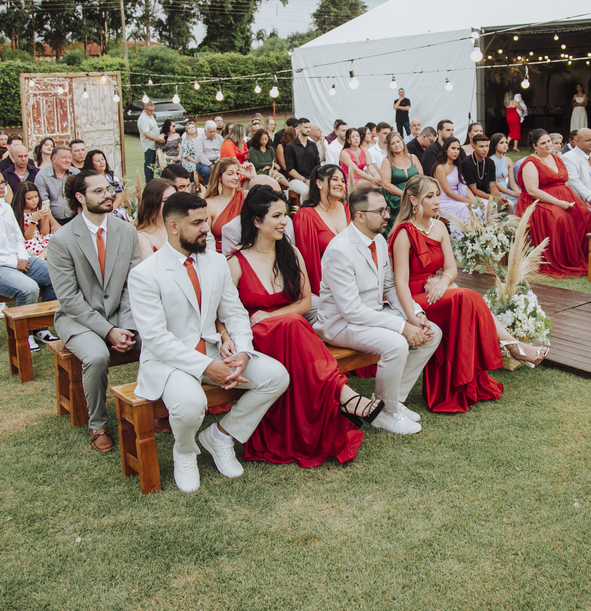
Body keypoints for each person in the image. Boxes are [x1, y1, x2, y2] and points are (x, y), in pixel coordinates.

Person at [127, 191, 290, 493]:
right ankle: (185, 451)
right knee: (191, 404)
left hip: (215, 351)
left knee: (276, 376)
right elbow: (156, 339)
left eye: (206, 220)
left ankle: (221, 436)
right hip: (169, 362)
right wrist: (207, 367)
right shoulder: (144, 274)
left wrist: (243, 351)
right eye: (197, 223)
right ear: (173, 227)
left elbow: (234, 312)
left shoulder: (215, 262)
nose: (207, 228)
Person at [227, 185, 379, 467]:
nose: (284, 222)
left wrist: (272, 316)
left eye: (285, 215)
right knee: (294, 326)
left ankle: (340, 396)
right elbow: (223, 312)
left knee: (294, 323)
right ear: (257, 221)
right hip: (256, 337)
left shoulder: (291, 253)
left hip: (288, 331)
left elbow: (305, 302)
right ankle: (344, 394)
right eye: (276, 216)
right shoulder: (235, 261)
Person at [313, 186, 442, 435]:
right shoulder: (340, 250)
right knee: (397, 344)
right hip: (341, 324)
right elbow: (351, 310)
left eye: (386, 209)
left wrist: (414, 314)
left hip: (373, 314)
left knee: (431, 332)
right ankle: (384, 413)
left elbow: (390, 286)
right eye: (380, 211)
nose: (387, 215)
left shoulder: (379, 240)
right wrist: (402, 326)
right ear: (360, 216)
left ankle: (392, 401)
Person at [389, 177, 508, 414]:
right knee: (465, 297)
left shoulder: (439, 226)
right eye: (429, 196)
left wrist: (443, 282)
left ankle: (465, 381)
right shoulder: (404, 232)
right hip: (413, 299)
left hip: (436, 291)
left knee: (462, 300)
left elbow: (451, 269)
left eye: (437, 195)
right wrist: (412, 316)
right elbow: (399, 281)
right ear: (413, 200)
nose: (437, 201)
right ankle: (510, 345)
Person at [47, 171, 144, 453]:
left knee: (154, 341)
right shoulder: (62, 240)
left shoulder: (126, 231)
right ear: (80, 197)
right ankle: (98, 424)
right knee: (97, 356)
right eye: (98, 191)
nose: (108, 195)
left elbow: (132, 284)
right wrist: (109, 331)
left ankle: (151, 407)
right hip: (78, 319)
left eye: (109, 189)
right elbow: (69, 299)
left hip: (121, 315)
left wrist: (128, 327)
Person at [0, 167, 58, 348]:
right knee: (29, 288)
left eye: (2, 182)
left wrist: (22, 258)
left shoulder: (6, 208)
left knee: (57, 274)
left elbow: (18, 238)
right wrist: (14, 263)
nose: (1, 187)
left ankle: (40, 327)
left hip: (17, 260)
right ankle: (23, 335)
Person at [516, 128, 591, 277]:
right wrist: (559, 202)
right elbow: (532, 191)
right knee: (560, 217)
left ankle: (581, 257)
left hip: (562, 197)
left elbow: (565, 182)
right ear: (534, 146)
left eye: (549, 141)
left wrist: (580, 200)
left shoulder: (556, 159)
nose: (548, 145)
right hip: (538, 202)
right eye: (543, 143)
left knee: (584, 214)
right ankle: (563, 260)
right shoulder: (530, 163)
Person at [294, 164, 349, 303]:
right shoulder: (306, 216)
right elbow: (308, 263)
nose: (340, 184)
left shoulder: (349, 209)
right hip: (326, 288)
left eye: (343, 180)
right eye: (334, 179)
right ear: (319, 183)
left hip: (354, 280)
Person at [563, 128, 591, 229]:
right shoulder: (568, 158)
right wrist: (590, 197)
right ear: (577, 141)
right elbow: (574, 181)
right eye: (588, 140)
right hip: (585, 202)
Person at [203, 157, 245, 253]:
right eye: (230, 174)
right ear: (219, 177)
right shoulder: (209, 204)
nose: (236, 177)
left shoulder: (245, 196)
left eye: (237, 173)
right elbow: (204, 237)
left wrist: (253, 176)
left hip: (244, 253)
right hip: (219, 254)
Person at [35, 144, 79, 227]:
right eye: (64, 157)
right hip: (51, 220)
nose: (68, 160)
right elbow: (43, 203)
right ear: (53, 159)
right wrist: (54, 224)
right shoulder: (42, 176)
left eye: (69, 157)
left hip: (75, 218)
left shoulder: (76, 173)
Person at [379, 131, 422, 218]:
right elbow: (386, 184)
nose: (396, 145)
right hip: (397, 196)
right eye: (393, 143)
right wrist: (404, 194)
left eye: (398, 142)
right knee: (407, 204)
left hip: (415, 191)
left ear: (402, 142)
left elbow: (422, 178)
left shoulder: (413, 157)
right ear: (389, 147)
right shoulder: (387, 161)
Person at [434, 137, 474, 227]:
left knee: (483, 205)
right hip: (444, 201)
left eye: (458, 149)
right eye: (453, 148)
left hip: (458, 198)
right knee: (465, 208)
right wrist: (467, 201)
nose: (456, 151)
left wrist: (473, 199)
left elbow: (464, 186)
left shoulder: (457, 167)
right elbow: (448, 192)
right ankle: (462, 234)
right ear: (446, 149)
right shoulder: (440, 167)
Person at [134, 178, 175, 260]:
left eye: (175, 199)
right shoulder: (142, 237)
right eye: (165, 201)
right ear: (152, 203)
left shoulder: (182, 229)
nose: (173, 204)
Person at [11, 180, 54, 259]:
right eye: (29, 199)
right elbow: (27, 236)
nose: (34, 200)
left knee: (55, 240)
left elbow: (44, 232)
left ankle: (42, 257)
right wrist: (34, 220)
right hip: (29, 242)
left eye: (36, 197)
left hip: (40, 238)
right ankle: (40, 258)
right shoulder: (20, 214)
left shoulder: (37, 209)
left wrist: (46, 217)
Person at [283, 120, 320, 200]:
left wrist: (313, 179)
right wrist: (304, 180)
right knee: (306, 191)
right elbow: (290, 169)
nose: (308, 129)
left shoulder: (313, 145)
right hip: (295, 180)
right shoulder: (291, 147)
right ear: (298, 129)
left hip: (312, 178)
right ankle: (304, 208)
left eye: (309, 127)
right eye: (305, 127)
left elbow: (317, 165)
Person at [461, 134, 501, 207]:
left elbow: (493, 187)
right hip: (473, 197)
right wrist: (494, 199)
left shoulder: (490, 162)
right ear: (473, 147)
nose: (485, 149)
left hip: (487, 195)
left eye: (487, 146)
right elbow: (474, 190)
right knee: (493, 206)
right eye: (481, 146)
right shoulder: (467, 163)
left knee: (509, 204)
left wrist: (500, 198)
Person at [488, 133, 521, 211]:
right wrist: (513, 193)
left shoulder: (508, 161)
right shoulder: (490, 161)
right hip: (496, 192)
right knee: (516, 201)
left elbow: (512, 183)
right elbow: (495, 185)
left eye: (506, 142)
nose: (505, 145)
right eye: (501, 143)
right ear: (495, 145)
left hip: (506, 191)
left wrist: (518, 192)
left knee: (522, 198)